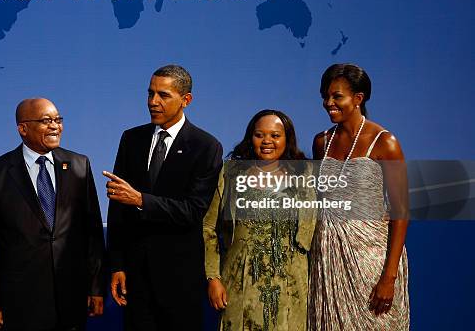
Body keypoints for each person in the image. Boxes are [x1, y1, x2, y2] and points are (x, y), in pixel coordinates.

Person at [104, 65, 223, 331]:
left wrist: (141, 200)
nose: (153, 102)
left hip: (180, 277)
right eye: (150, 94)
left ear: (186, 100)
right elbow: (117, 209)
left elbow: (193, 211)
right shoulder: (131, 139)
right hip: (136, 275)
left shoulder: (206, 146)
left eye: (163, 95)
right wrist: (117, 265)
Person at [0, 98, 105, 331]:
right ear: (23, 128)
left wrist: (95, 287)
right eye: (46, 121)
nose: (55, 126)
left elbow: (92, 233)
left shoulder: (79, 165)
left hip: (72, 299)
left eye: (58, 120)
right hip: (20, 303)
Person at [307, 64, 410, 330]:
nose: (329, 103)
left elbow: (401, 211)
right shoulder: (322, 142)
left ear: (358, 98)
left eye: (336, 96)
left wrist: (389, 277)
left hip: (370, 259)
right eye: (325, 97)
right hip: (328, 259)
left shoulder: (385, 142)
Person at [203, 109, 317, 331]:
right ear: (250, 138)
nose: (267, 141)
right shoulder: (230, 173)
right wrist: (213, 278)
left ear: (287, 140)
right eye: (259, 135)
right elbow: (209, 227)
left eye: (275, 135)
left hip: (291, 285)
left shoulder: (305, 176)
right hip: (239, 282)